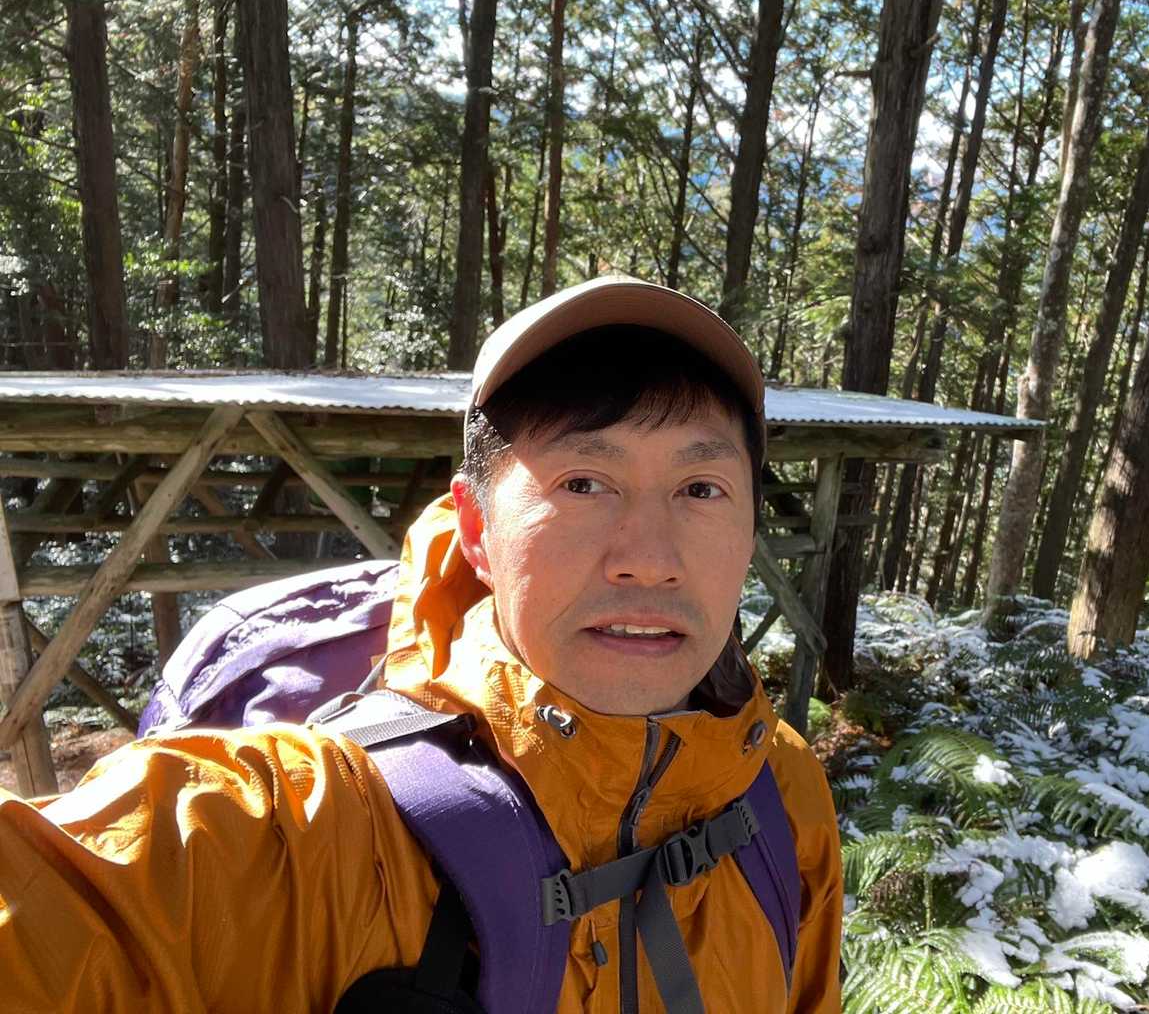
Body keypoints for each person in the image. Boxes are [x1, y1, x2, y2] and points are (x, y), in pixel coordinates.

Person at [0, 276, 843, 1012]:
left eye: (701, 488)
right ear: (476, 531)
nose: (650, 559)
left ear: (748, 531)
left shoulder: (782, 794)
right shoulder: (299, 831)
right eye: (584, 482)